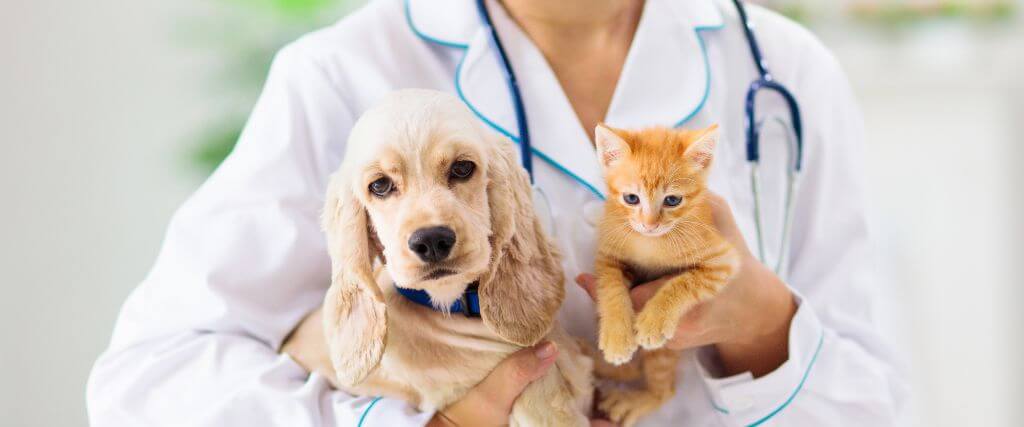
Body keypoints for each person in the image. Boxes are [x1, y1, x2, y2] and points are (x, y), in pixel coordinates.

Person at [87, 0, 910, 425]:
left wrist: (762, 323)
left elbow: (875, 405)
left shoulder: (786, 74)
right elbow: (147, 385)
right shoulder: (339, 75)